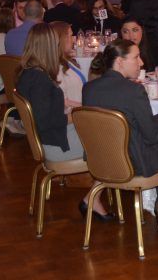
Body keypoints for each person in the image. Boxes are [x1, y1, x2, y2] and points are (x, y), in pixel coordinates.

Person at [84, 39, 158, 226]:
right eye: (136, 57)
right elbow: (152, 137)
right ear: (120, 61)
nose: (142, 63)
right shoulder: (133, 91)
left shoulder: (89, 88)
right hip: (135, 163)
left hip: (102, 159)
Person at [16, 23, 112, 220]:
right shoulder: (40, 80)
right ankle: (93, 198)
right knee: (113, 140)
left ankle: (97, 194)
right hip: (56, 144)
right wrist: (81, 114)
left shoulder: (28, 73)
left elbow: (48, 106)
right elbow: (49, 121)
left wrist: (78, 107)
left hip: (48, 139)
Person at [49, 20, 88, 106]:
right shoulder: (56, 68)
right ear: (61, 39)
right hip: (74, 114)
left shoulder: (66, 60)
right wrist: (86, 107)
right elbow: (62, 101)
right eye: (70, 36)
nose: (74, 40)